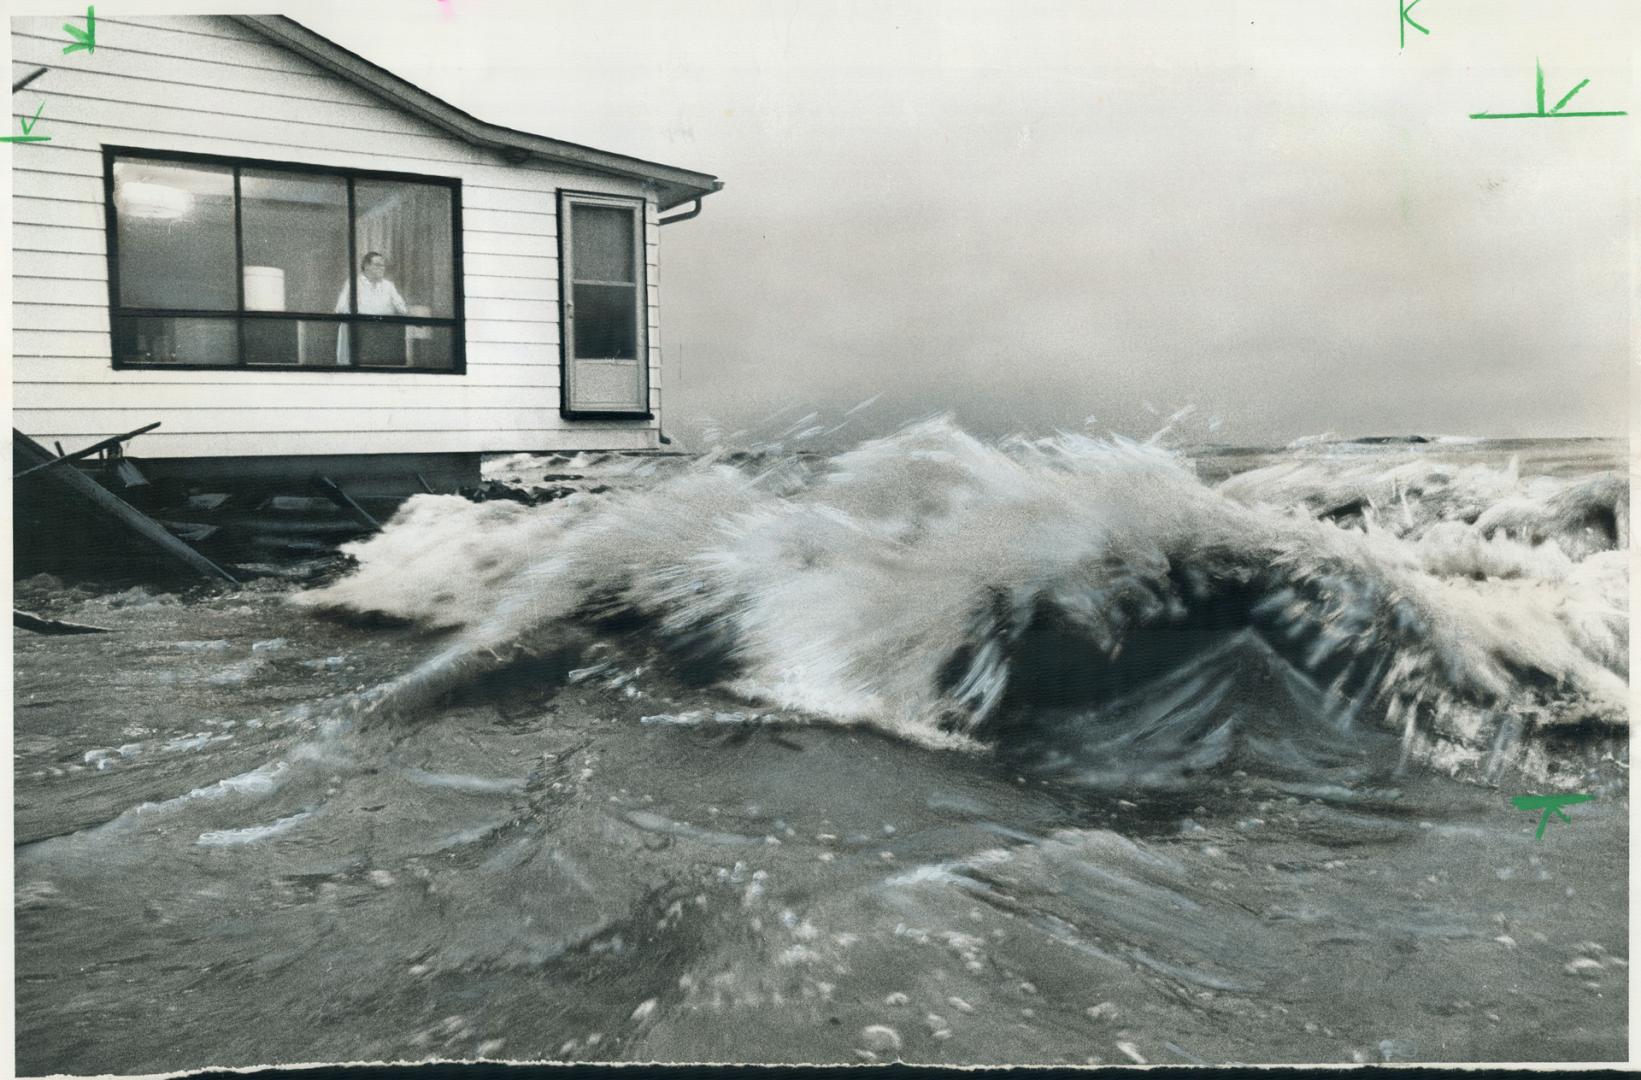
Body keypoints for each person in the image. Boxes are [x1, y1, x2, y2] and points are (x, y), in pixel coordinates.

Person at [335, 251, 409, 365]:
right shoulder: (352, 284)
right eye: (378, 265)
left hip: (384, 337)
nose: (382, 268)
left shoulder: (388, 286)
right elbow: (340, 308)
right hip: (360, 336)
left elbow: (403, 309)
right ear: (366, 267)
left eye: (383, 265)